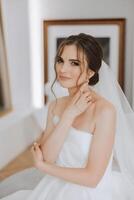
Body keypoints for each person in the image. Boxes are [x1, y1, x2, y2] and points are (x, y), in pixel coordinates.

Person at [1, 33, 134, 200]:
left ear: (91, 72)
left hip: (89, 193)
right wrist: (68, 116)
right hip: (54, 187)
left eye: (74, 63)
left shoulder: (105, 111)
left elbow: (92, 178)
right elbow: (49, 157)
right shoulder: (55, 105)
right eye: (60, 60)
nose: (62, 69)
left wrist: (43, 167)